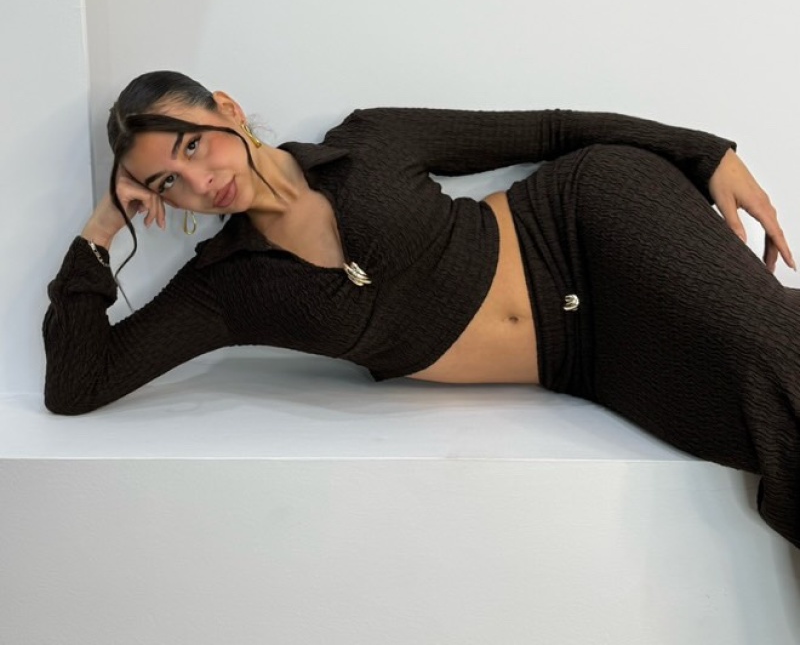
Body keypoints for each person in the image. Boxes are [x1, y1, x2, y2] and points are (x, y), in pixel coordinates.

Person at [43, 70, 800, 547]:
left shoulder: (368, 141)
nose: (197, 181)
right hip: (590, 361)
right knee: (753, 421)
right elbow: (78, 383)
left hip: (592, 221)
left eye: (191, 146)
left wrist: (707, 152)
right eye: (166, 184)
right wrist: (101, 227)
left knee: (775, 355)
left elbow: (549, 130)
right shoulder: (227, 288)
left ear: (228, 111)